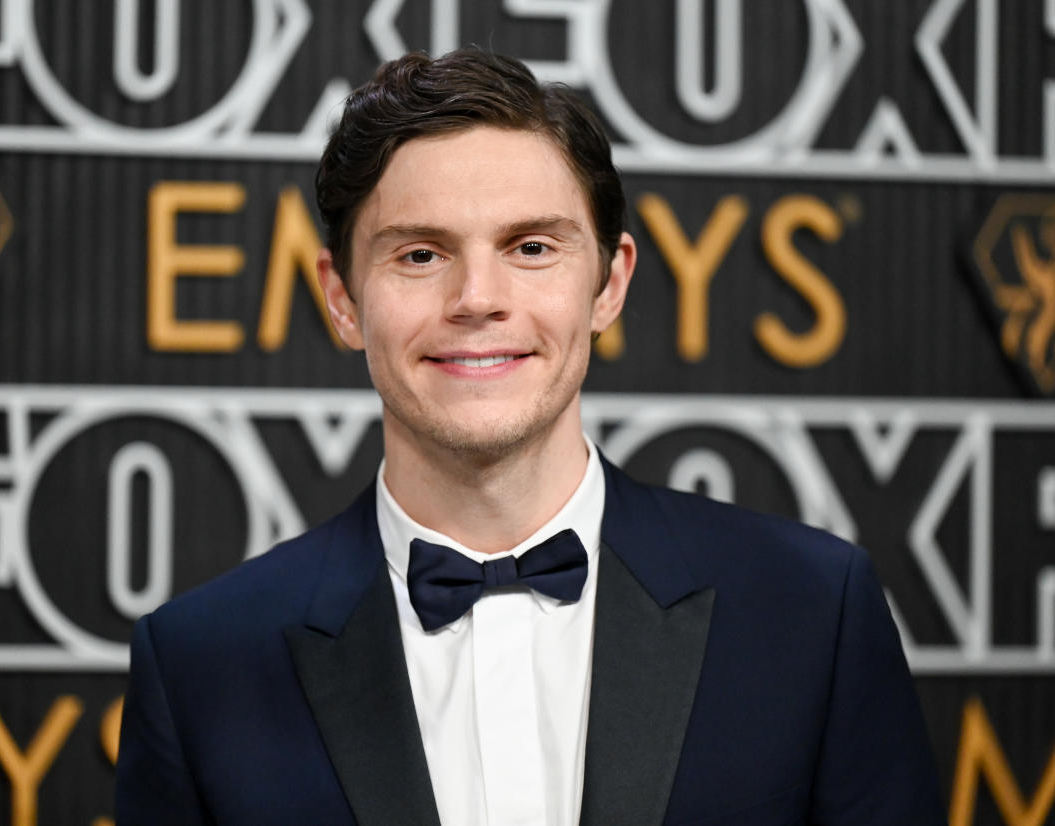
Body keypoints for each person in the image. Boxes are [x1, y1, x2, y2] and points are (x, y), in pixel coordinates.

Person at [115, 48, 945, 825]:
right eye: (418, 255)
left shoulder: (811, 613)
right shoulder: (199, 664)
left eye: (532, 246)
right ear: (340, 299)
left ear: (608, 284)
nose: (478, 298)